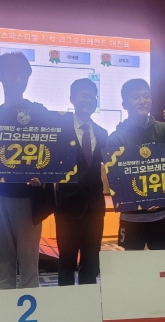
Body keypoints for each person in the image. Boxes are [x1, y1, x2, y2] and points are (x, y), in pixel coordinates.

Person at [0, 52, 54, 290]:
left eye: (21, 73)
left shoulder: (41, 113)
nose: (15, 78)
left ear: (28, 76)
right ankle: (5, 307)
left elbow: (53, 154)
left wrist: (44, 175)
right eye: (9, 72)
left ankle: (31, 310)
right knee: (1, 261)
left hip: (28, 198)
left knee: (29, 263)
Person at [107, 78, 165, 250]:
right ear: (124, 104)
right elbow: (116, 180)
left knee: (163, 262)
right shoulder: (116, 138)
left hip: (162, 215)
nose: (142, 101)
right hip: (131, 217)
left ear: (151, 99)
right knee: (132, 262)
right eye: (136, 97)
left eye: (146, 96)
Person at [55, 78, 108, 286]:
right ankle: (66, 302)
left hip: (95, 207)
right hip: (68, 207)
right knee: (66, 261)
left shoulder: (102, 133)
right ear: (72, 99)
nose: (88, 100)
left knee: (92, 262)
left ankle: (89, 300)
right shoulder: (59, 130)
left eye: (92, 97)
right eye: (83, 95)